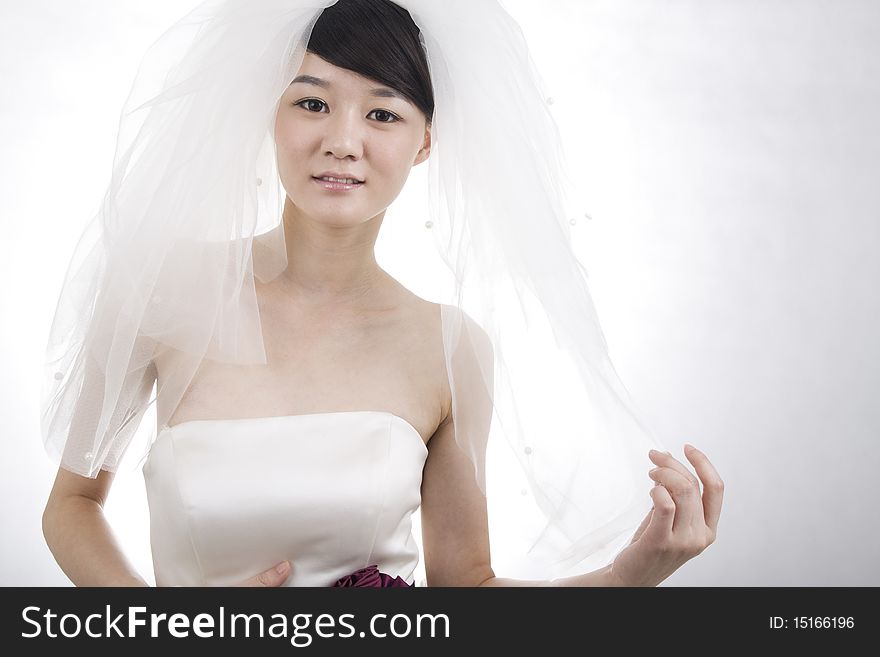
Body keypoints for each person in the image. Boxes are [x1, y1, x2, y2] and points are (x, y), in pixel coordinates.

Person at [40, 0, 723, 587]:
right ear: (268, 115)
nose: (342, 141)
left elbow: (468, 587)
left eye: (383, 115)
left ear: (425, 141)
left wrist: (624, 576)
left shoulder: (449, 348)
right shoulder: (160, 294)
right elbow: (71, 503)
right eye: (312, 102)